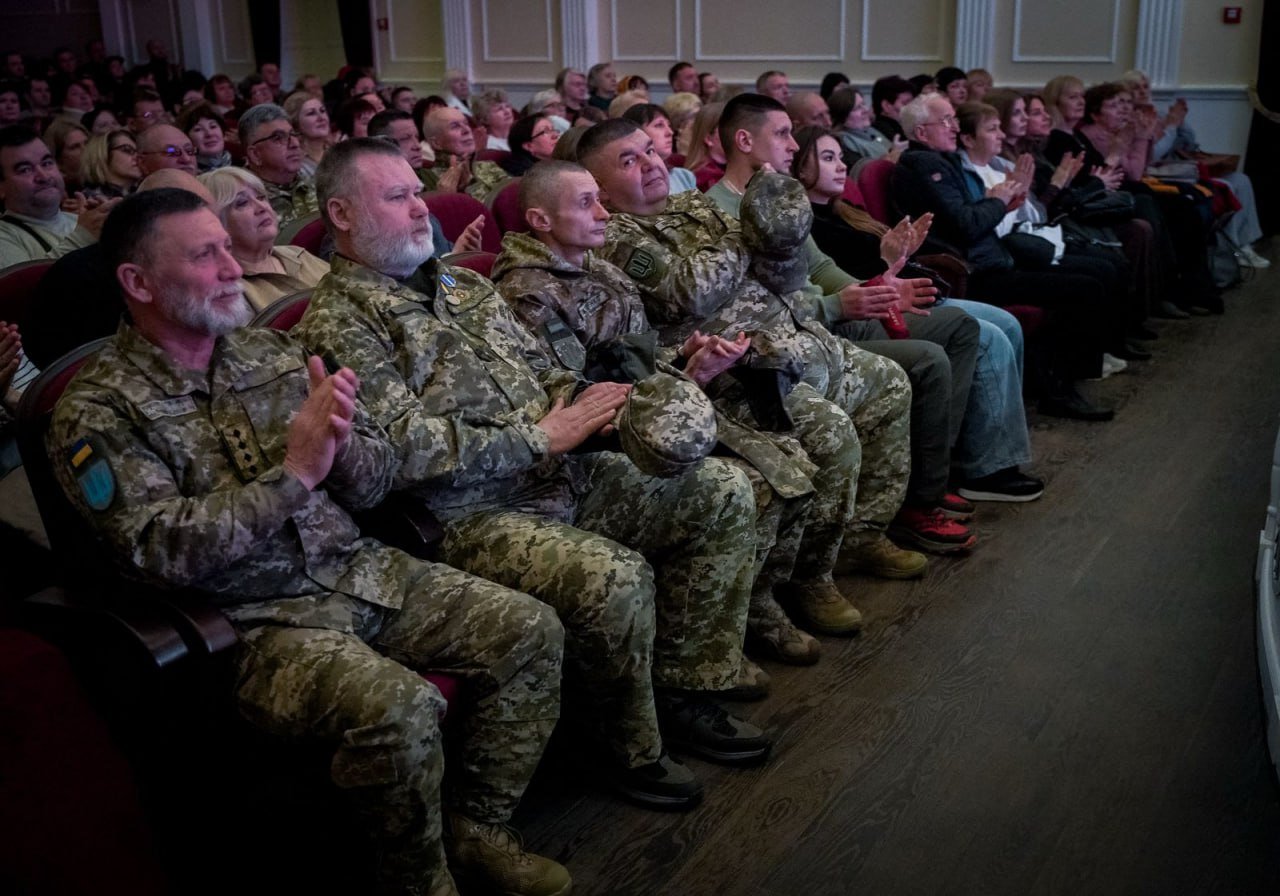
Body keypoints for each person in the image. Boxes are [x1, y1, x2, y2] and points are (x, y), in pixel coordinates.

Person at [49, 187, 569, 896]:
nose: (231, 268)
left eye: (227, 248)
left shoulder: (273, 354)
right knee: (399, 708)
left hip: (355, 570)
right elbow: (158, 550)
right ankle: (419, 882)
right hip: (254, 625)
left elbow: (373, 483)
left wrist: (346, 447)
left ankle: (480, 827)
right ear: (138, 282)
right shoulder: (96, 410)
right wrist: (294, 475)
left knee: (530, 630)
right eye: (203, 256)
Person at [294, 137, 770, 810]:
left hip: (557, 468)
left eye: (417, 192)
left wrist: (598, 405)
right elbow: (399, 451)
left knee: (719, 492)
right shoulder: (339, 321)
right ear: (341, 215)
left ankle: (685, 689)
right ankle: (625, 744)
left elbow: (542, 368)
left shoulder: (458, 282)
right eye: (397, 197)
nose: (420, 209)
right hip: (468, 515)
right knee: (614, 576)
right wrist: (537, 436)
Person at [490, 159, 827, 664]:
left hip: (658, 407)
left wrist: (684, 358)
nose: (604, 213)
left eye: (600, 198)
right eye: (586, 203)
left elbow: (632, 357)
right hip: (602, 446)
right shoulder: (528, 294)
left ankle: (749, 610)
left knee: (791, 462)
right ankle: (691, 649)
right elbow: (578, 394)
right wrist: (684, 379)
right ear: (540, 220)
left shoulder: (597, 267)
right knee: (754, 483)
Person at [577, 117, 927, 586]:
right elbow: (690, 290)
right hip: (737, 370)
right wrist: (751, 230)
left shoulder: (692, 205)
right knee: (833, 434)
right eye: (628, 161)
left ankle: (863, 536)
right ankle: (809, 579)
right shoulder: (616, 237)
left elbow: (786, 273)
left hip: (796, 337)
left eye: (650, 151)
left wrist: (777, 233)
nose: (650, 164)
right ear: (599, 186)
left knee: (890, 382)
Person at [706, 95, 980, 552]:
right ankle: (918, 504)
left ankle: (928, 478)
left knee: (960, 326)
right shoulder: (719, 211)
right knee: (928, 360)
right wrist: (839, 305)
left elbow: (819, 267)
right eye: (782, 134)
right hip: (792, 338)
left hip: (828, 316)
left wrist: (874, 290)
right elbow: (760, 303)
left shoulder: (782, 196)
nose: (794, 145)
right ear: (745, 140)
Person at [791, 126, 1044, 503]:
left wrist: (901, 255)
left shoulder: (847, 212)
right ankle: (985, 468)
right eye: (828, 158)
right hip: (872, 309)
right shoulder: (807, 223)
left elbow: (876, 269)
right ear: (799, 169)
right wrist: (889, 262)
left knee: (1007, 324)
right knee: (987, 336)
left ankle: (983, 449)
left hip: (900, 296)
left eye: (841, 157)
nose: (842, 166)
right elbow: (845, 281)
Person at [892, 93, 1115, 420]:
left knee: (1090, 277)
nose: (954, 128)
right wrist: (998, 200)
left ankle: (1055, 382)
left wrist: (1001, 200)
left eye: (955, 119)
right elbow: (966, 224)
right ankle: (1059, 391)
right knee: (1084, 288)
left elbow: (969, 217)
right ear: (922, 132)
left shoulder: (941, 161)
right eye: (946, 121)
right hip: (973, 272)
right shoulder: (925, 164)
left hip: (988, 259)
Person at [200, 166, 329, 311]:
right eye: (242, 203)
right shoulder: (229, 290)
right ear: (217, 223)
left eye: (261, 197)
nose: (261, 207)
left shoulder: (298, 253)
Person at [0, 125, 114, 267]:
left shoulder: (80, 220)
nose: (44, 176)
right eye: (25, 170)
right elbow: (26, 282)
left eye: (47, 163)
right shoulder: (5, 236)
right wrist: (83, 236)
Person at [239, 102, 318, 225]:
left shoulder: (317, 184)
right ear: (255, 154)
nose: (294, 144)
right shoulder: (243, 202)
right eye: (278, 138)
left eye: (293, 134)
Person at [418, 106, 512, 203]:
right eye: (455, 126)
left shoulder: (488, 166)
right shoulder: (429, 180)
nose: (467, 130)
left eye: (466, 123)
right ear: (437, 143)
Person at [622, 103, 697, 193]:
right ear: (637, 132)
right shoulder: (634, 184)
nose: (670, 132)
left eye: (669, 125)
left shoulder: (683, 176)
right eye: (659, 125)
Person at [78, 129, 141, 200]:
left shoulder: (144, 193)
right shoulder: (89, 200)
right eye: (127, 150)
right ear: (103, 154)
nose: (137, 157)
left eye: (138, 152)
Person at [178, 103, 232, 172]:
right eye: (198, 129)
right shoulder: (185, 174)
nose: (209, 134)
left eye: (213, 126)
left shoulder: (241, 167)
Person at [871, 75, 916, 141]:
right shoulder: (886, 133)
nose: (912, 108)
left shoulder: (902, 128)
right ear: (886, 106)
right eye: (905, 103)